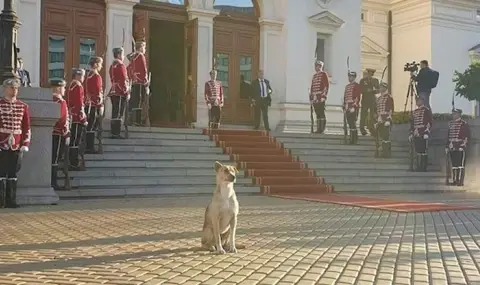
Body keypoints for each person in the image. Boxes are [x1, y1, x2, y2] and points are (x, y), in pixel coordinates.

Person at [0, 78, 31, 208]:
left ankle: (11, 200)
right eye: (12, 88)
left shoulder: (22, 106)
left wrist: (25, 144)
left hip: (16, 144)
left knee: (13, 172)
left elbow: (26, 127)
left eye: (16, 88)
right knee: (1, 172)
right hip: (2, 142)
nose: (14, 90)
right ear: (5, 89)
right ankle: (1, 201)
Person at [67, 68, 87, 170]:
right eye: (83, 76)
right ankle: (73, 163)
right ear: (78, 76)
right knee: (75, 141)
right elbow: (79, 104)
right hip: (76, 117)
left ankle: (72, 161)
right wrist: (83, 118)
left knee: (73, 140)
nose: (83, 78)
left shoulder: (71, 85)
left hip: (71, 115)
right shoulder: (78, 86)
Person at [51, 79, 70, 189]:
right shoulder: (60, 102)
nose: (65, 89)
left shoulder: (49, 100)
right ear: (58, 88)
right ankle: (53, 182)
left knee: (52, 157)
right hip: (58, 133)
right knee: (55, 158)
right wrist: (66, 133)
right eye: (63, 87)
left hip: (51, 132)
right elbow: (62, 119)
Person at [108, 47, 129, 138]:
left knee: (114, 112)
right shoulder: (121, 65)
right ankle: (116, 133)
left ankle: (113, 131)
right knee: (119, 113)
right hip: (120, 91)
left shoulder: (112, 65)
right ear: (119, 55)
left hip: (113, 90)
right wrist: (126, 91)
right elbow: (123, 79)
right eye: (123, 54)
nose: (123, 56)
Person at [84, 56, 104, 154]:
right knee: (92, 126)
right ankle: (89, 147)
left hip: (89, 103)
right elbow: (98, 92)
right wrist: (100, 104)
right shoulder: (96, 76)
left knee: (90, 125)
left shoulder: (88, 75)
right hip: (94, 104)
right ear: (96, 65)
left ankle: (89, 146)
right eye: (100, 64)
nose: (101, 66)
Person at [445, 108, 470, 186]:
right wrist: (447, 146)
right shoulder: (451, 124)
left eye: (455, 113)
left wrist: (462, 145)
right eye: (453, 114)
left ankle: (460, 181)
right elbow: (448, 136)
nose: (453, 115)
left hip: (460, 147)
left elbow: (466, 136)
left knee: (460, 165)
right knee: (454, 165)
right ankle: (455, 180)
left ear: (459, 114)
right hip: (452, 147)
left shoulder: (463, 124)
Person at [127, 40, 149, 126]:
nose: (145, 49)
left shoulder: (133, 57)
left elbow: (128, 69)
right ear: (140, 48)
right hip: (140, 82)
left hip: (134, 82)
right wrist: (145, 80)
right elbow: (144, 69)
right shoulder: (141, 56)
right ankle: (137, 121)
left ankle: (132, 120)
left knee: (134, 101)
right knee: (139, 101)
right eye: (144, 47)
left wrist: (131, 77)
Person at [409, 97, 432, 171]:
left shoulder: (426, 110)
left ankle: (423, 167)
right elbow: (412, 124)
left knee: (423, 150)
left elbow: (429, 122)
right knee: (418, 150)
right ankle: (418, 166)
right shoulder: (415, 111)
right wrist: (411, 133)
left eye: (418, 100)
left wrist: (426, 132)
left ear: (422, 101)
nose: (417, 102)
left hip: (423, 132)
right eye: (416, 101)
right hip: (416, 132)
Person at [309, 60, 329, 134]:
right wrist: (311, 97)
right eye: (316, 66)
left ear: (321, 66)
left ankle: (322, 129)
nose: (317, 67)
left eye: (318, 66)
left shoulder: (324, 74)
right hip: (315, 97)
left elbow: (326, 86)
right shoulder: (314, 76)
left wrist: (324, 96)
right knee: (317, 113)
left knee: (321, 112)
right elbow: (312, 87)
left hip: (320, 96)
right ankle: (318, 128)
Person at [375, 82, 394, 158]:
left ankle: (387, 153)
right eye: (380, 87)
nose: (380, 88)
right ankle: (383, 151)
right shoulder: (379, 98)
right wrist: (377, 118)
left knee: (386, 136)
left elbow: (391, 109)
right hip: (380, 119)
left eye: (382, 87)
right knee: (382, 136)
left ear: (385, 88)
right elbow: (377, 110)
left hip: (386, 118)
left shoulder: (389, 97)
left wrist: (388, 120)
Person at [359, 68, 379, 136]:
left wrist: (374, 90)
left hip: (372, 100)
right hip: (365, 100)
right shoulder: (362, 80)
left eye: (371, 74)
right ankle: (362, 129)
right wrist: (367, 90)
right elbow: (361, 90)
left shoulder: (375, 80)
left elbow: (378, 90)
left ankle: (372, 129)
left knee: (372, 116)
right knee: (363, 116)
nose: (370, 75)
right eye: (369, 73)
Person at [343, 71, 361, 144]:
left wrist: (353, 106)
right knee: (349, 123)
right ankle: (351, 138)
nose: (350, 78)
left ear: (354, 77)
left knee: (353, 123)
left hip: (353, 107)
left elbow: (357, 97)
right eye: (349, 76)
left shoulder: (356, 85)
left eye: (351, 77)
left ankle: (354, 139)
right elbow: (345, 97)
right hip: (347, 107)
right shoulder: (347, 86)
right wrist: (344, 106)